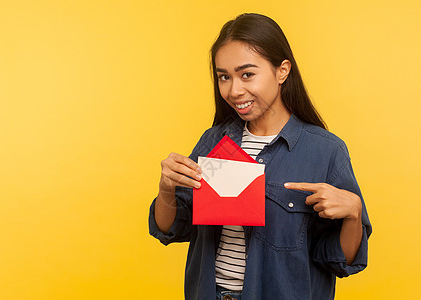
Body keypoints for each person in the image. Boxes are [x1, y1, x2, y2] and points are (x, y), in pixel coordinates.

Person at [149, 13, 371, 300]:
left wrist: (354, 213)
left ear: (282, 71)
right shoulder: (213, 141)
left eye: (247, 74)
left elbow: (339, 261)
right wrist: (166, 187)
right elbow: (170, 229)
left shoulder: (326, 151)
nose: (234, 90)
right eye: (224, 77)